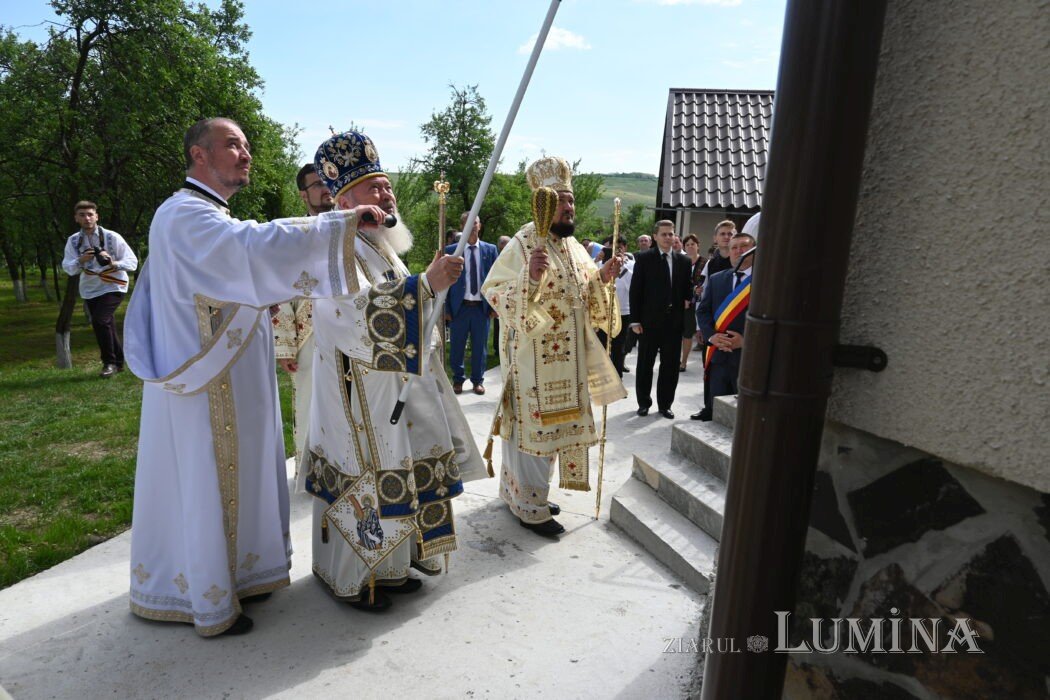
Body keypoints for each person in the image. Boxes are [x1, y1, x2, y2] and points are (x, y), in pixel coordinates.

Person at [124, 117, 388, 637]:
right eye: (232, 145)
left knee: (235, 472)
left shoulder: (202, 214)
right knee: (206, 475)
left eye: (246, 145)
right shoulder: (183, 214)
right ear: (199, 155)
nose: (245, 154)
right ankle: (210, 601)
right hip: (204, 384)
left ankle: (242, 574)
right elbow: (247, 248)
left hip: (228, 373)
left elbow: (230, 276)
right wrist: (337, 224)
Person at [303, 130, 485, 610]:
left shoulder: (381, 244)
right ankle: (359, 579)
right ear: (344, 199)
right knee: (370, 473)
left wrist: (425, 288)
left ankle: (397, 566)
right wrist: (425, 285)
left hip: (394, 387)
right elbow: (350, 314)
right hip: (356, 394)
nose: (386, 196)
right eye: (374, 189)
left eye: (387, 187)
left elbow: (405, 302)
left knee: (401, 468)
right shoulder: (333, 249)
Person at [481, 156, 626, 538]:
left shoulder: (575, 247)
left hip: (569, 361)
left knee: (558, 432)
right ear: (541, 202)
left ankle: (532, 495)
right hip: (533, 361)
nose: (568, 207)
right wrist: (528, 279)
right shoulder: (523, 242)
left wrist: (602, 278)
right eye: (560, 200)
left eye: (571, 200)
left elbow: (582, 293)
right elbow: (493, 292)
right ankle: (530, 505)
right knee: (535, 432)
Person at [272, 163, 335, 469]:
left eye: (329, 183)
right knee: (310, 399)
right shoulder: (295, 235)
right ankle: (311, 470)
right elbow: (280, 290)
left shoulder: (352, 229)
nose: (326, 190)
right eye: (317, 185)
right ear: (303, 195)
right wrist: (284, 346)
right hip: (309, 331)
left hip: (350, 326)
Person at [61, 201, 138, 377]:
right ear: (76, 218)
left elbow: (132, 262)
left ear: (97, 216)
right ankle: (119, 362)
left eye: (90, 214)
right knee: (107, 323)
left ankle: (108, 363)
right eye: (82, 215)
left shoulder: (112, 237)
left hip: (113, 284)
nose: (87, 218)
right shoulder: (73, 241)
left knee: (100, 320)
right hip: (90, 287)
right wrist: (81, 260)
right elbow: (68, 267)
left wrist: (112, 261)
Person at [629, 220, 693, 419]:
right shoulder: (644, 259)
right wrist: (635, 320)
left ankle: (665, 405)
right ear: (655, 237)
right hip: (648, 323)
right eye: (664, 234)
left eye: (671, 234)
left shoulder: (684, 261)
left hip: (673, 323)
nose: (668, 238)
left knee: (670, 366)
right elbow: (636, 291)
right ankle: (643, 403)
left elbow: (686, 287)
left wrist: (690, 297)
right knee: (645, 364)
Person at [692, 231, 756, 421]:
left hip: (747, 358)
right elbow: (703, 311)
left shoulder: (766, 281)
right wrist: (711, 336)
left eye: (743, 247)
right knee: (716, 409)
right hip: (719, 356)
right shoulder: (717, 278)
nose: (738, 251)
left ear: (753, 250)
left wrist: (746, 342)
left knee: (743, 415)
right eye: (733, 248)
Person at [444, 211, 498, 395]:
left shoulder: (490, 250)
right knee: (457, 346)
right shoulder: (452, 251)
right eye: (468, 223)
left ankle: (477, 381)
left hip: (481, 309)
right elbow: (444, 283)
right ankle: (458, 380)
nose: (472, 227)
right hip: (459, 308)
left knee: (480, 347)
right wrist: (445, 308)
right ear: (462, 227)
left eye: (475, 223)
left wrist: (494, 305)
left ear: (480, 226)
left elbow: (496, 280)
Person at [679, 234, 706, 372]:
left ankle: (684, 362)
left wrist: (693, 294)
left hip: (697, 303)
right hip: (680, 302)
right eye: (687, 244)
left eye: (692, 244)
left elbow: (704, 282)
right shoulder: (681, 261)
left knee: (688, 333)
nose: (690, 246)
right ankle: (677, 360)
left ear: (698, 245)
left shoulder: (705, 263)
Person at [492, 235, 512, 355]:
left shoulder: (517, 258)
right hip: (499, 296)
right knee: (499, 324)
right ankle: (497, 349)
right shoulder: (495, 259)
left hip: (512, 294)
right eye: (502, 247)